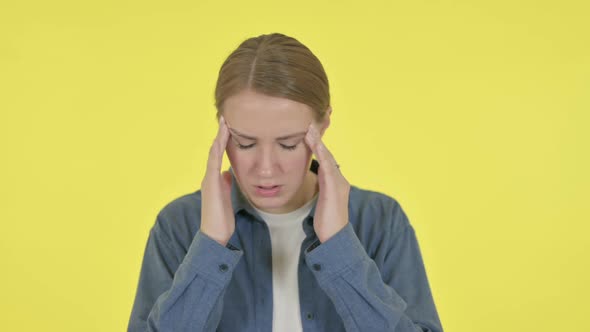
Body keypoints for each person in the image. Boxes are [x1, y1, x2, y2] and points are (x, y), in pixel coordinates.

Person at [127, 32, 443, 332]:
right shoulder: (178, 225)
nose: (265, 169)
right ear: (222, 129)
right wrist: (210, 245)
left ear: (324, 124)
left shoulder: (380, 221)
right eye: (244, 143)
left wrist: (339, 245)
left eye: (289, 143)